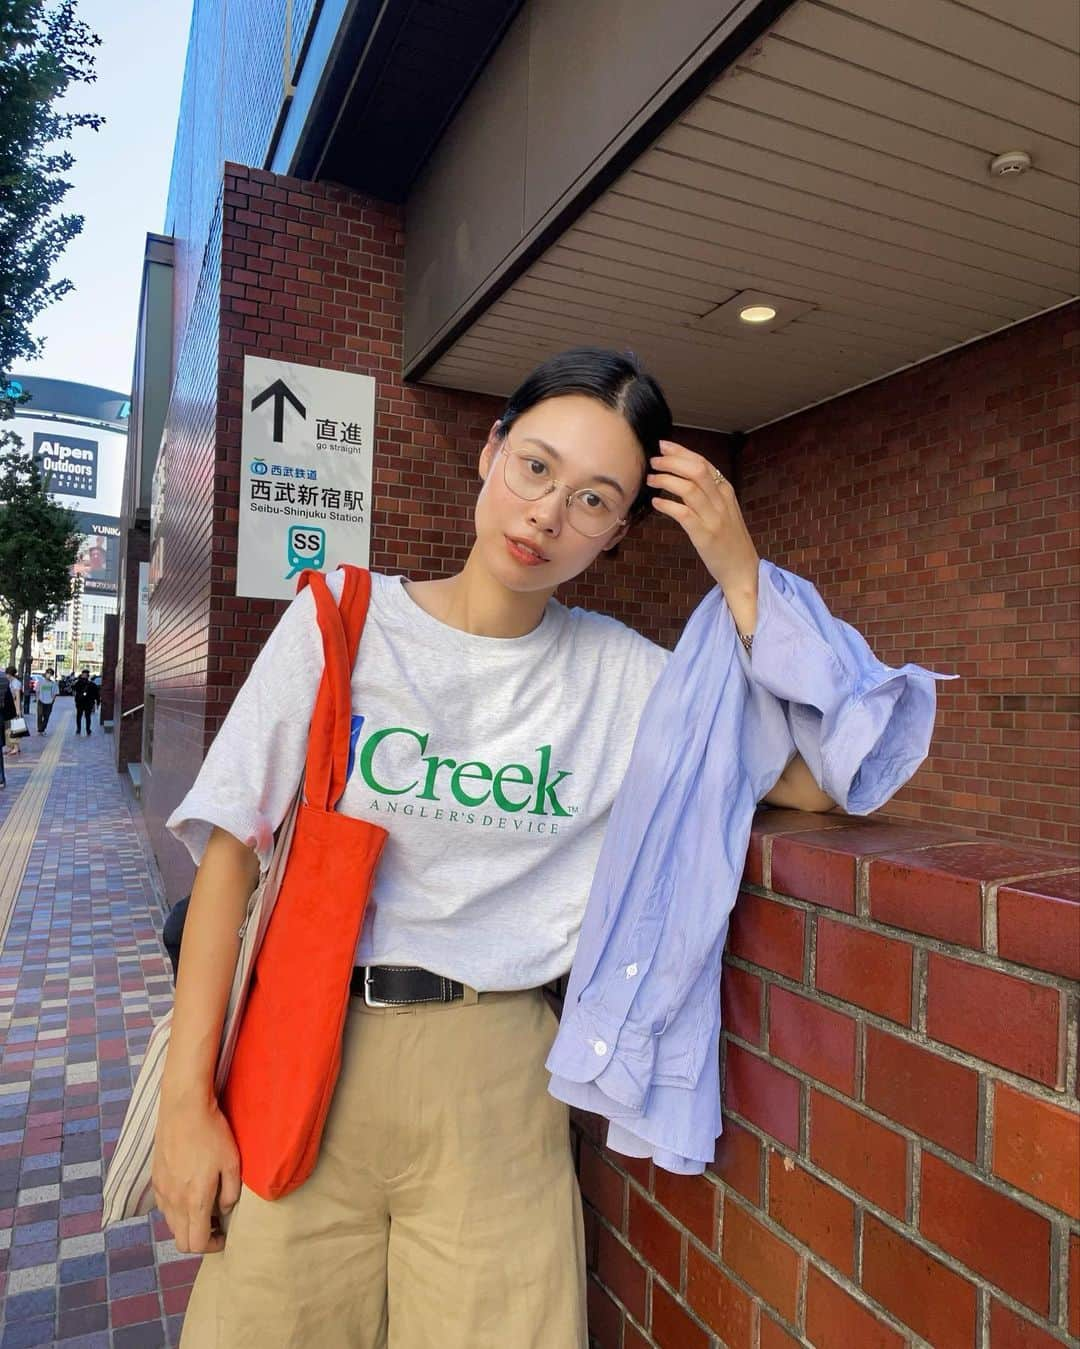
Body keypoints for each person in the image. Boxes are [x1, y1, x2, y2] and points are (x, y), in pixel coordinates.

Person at [156, 349, 851, 1348]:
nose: (546, 514)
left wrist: (740, 569)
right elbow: (229, 855)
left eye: (593, 499)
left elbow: (817, 781)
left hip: (499, 1083)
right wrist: (189, 1101)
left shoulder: (619, 680)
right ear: (490, 453)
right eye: (535, 467)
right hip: (310, 1050)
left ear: (615, 533)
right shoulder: (343, 620)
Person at [73, 667, 98, 734]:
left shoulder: (90, 684)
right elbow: (74, 690)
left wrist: (97, 701)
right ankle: (82, 729)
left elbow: (96, 694)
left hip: (85, 703)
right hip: (82, 703)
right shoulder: (79, 683)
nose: (83, 675)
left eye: (84, 674)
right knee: (82, 717)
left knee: (85, 717)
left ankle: (86, 729)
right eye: (83, 674)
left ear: (87, 675)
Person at [3, 667, 21, 755]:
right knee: (11, 728)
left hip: (14, 708)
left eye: (7, 674)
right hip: (10, 707)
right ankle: (13, 747)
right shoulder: (11, 682)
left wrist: (18, 710)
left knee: (13, 728)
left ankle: (16, 748)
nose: (6, 676)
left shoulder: (16, 683)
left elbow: (17, 697)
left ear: (10, 674)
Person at [36, 668, 59, 733]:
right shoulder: (40, 682)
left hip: (49, 702)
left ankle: (42, 728)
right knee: (39, 715)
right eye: (48, 673)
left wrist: (52, 700)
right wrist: (37, 699)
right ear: (45, 673)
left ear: (51, 675)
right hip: (41, 701)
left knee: (47, 716)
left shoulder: (53, 683)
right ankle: (40, 728)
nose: (48, 675)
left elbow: (55, 693)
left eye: (50, 674)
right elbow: (37, 691)